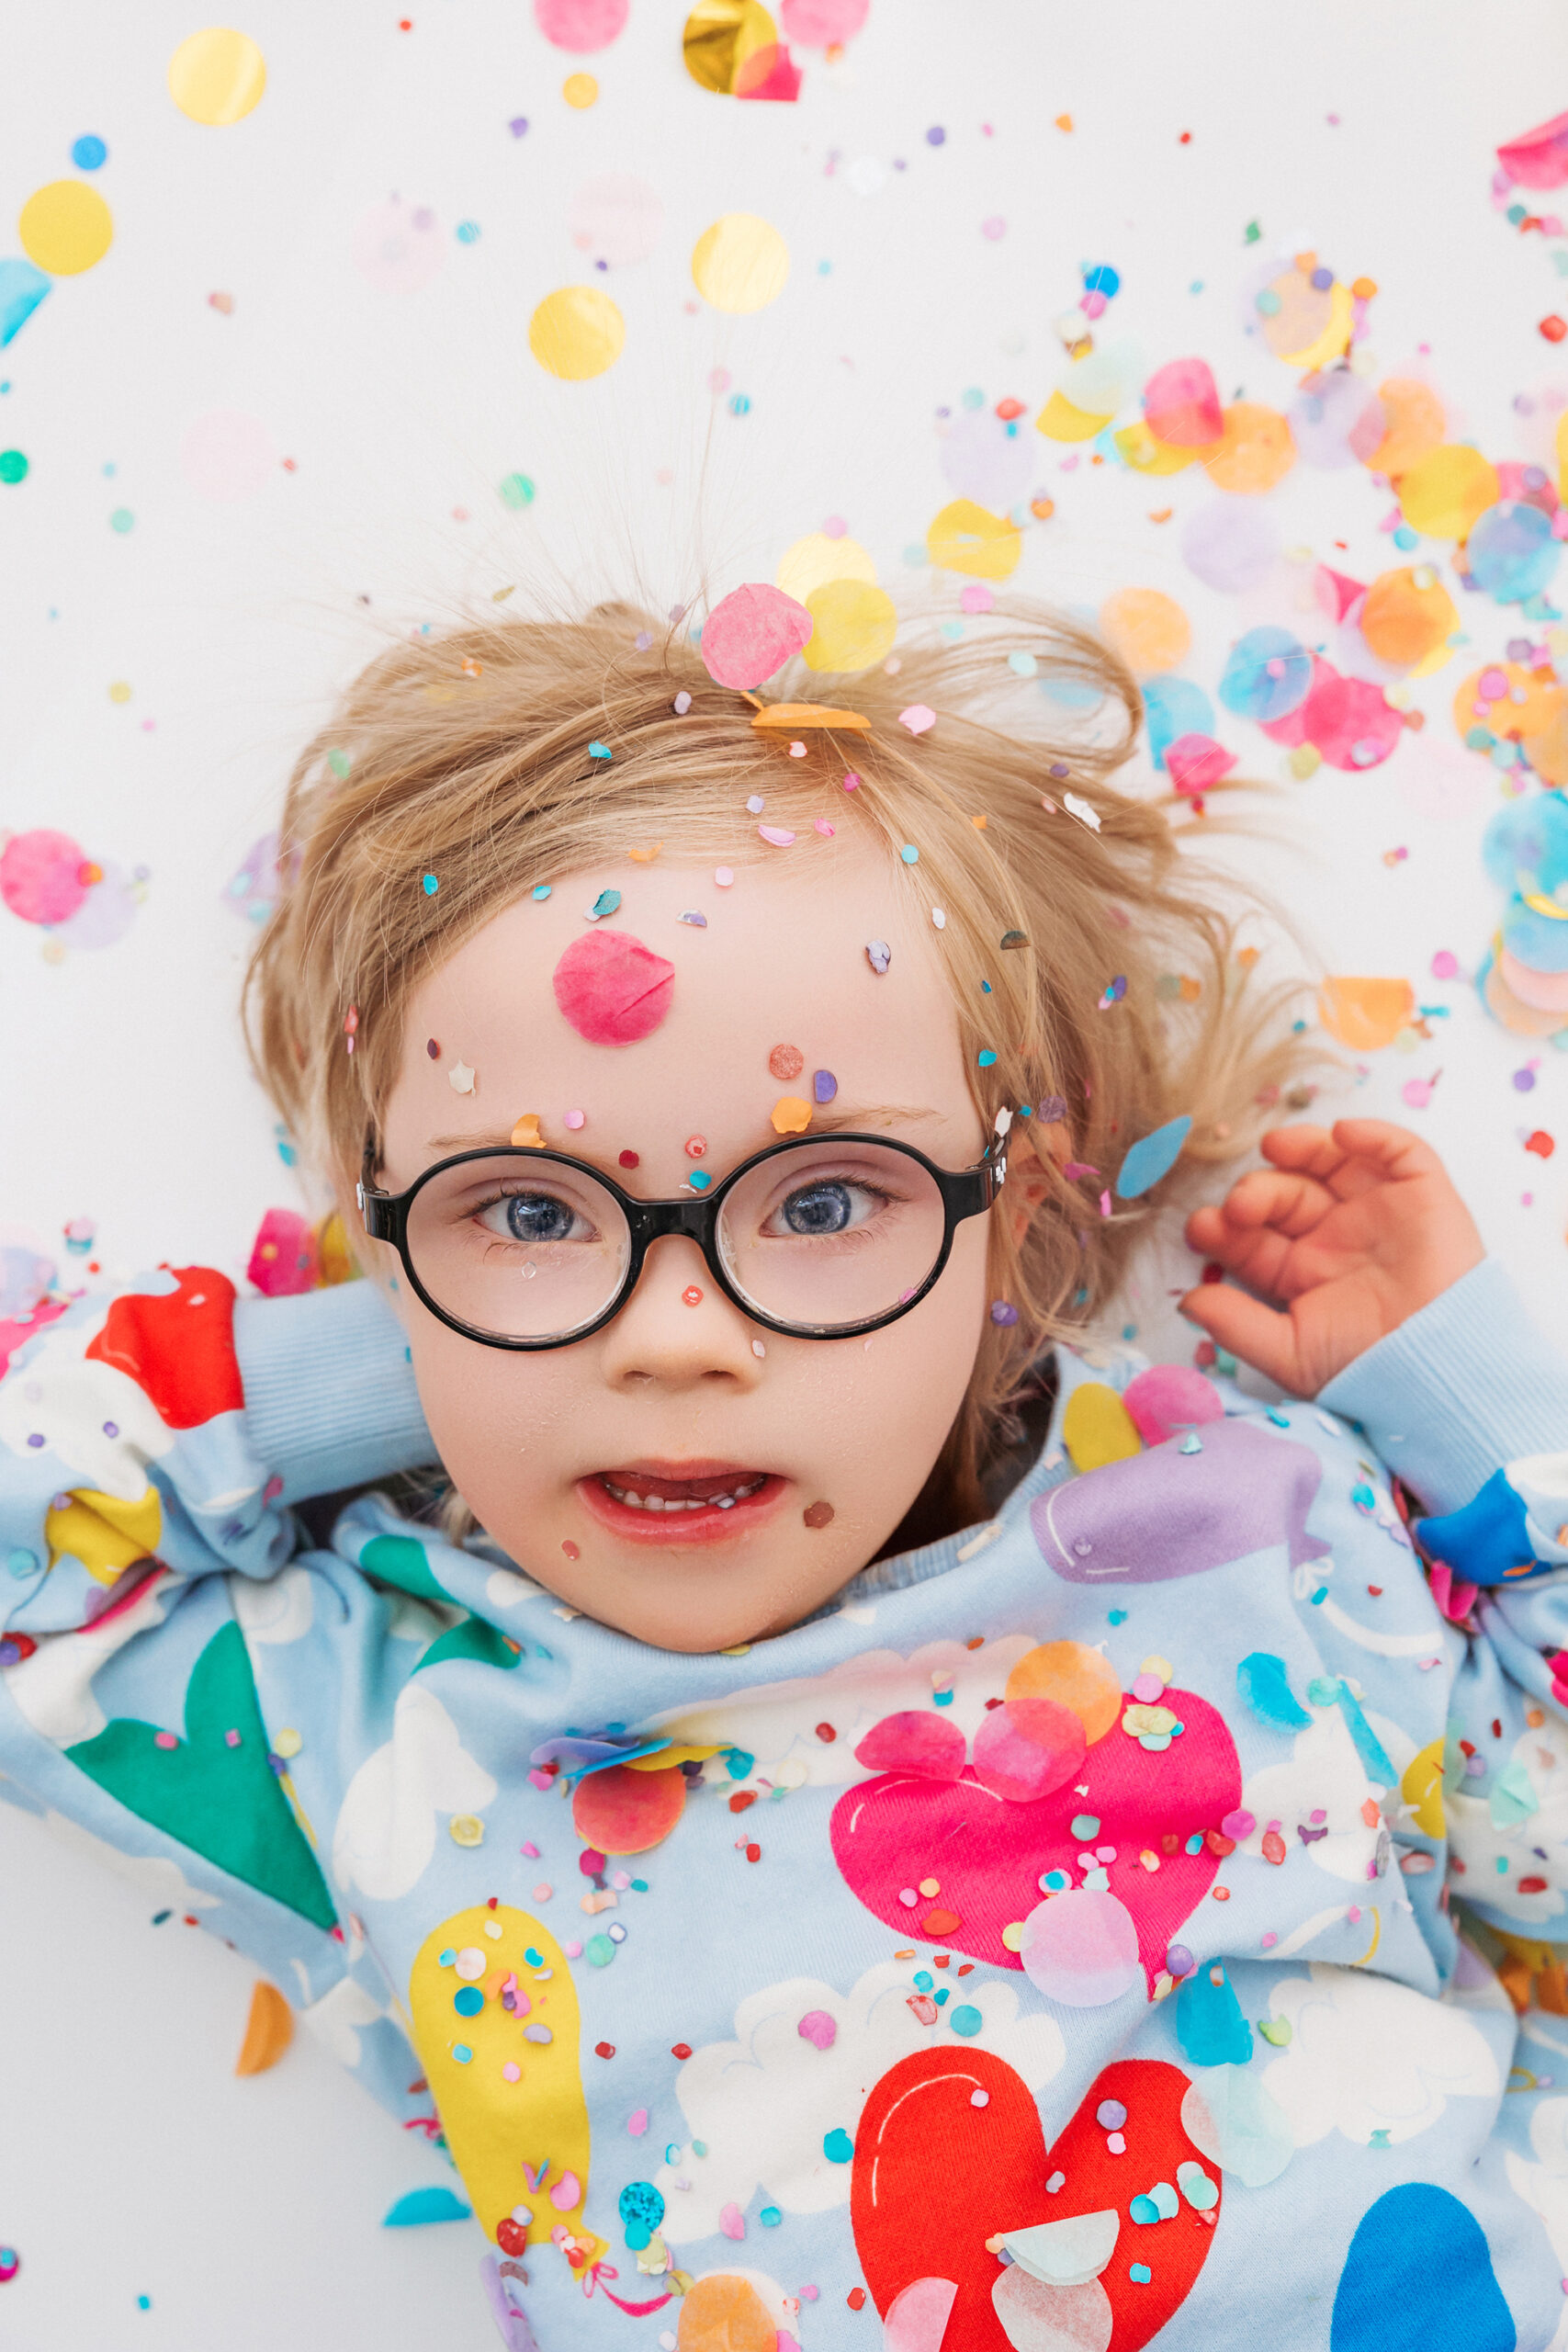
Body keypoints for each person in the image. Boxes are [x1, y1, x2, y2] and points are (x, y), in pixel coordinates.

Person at [3, 598, 1566, 2351]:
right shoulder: (380, 1732)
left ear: (1016, 1232)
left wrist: (1482, 1421)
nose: (674, 1338)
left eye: (823, 1202)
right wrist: (448, 1338)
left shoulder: (1260, 1536)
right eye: (523, 1202)